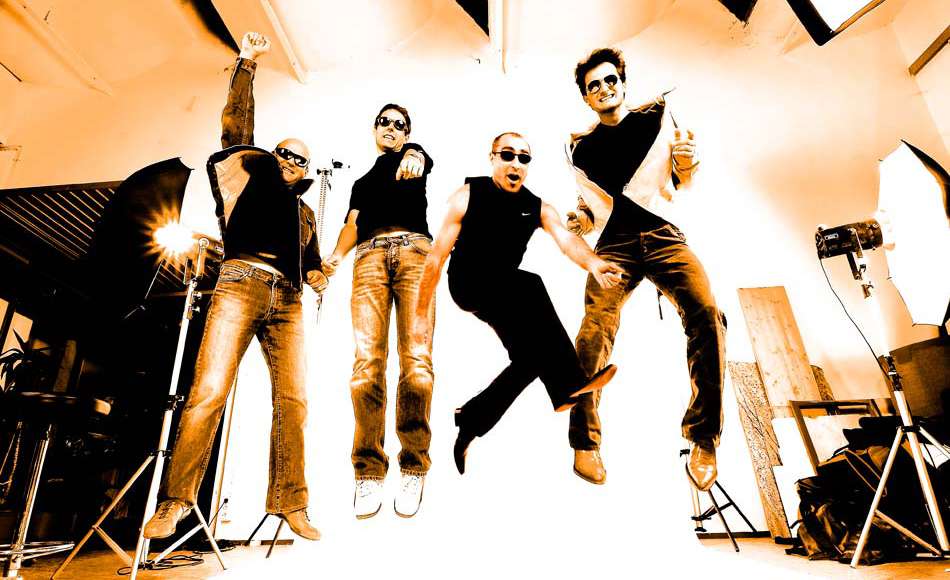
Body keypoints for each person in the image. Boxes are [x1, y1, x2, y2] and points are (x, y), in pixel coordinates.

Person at [144, 32, 324, 541]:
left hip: (287, 300)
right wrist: (247, 63)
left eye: (298, 159)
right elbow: (235, 128)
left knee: (294, 399)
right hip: (240, 283)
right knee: (209, 390)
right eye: (283, 152)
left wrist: (319, 273)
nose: (289, 160)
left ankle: (291, 501)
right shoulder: (251, 179)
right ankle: (176, 501)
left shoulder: (306, 214)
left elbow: (311, 266)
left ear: (305, 172)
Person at [411, 132, 623, 475]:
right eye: (507, 155)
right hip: (467, 283)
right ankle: (568, 384)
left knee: (530, 359)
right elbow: (435, 258)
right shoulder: (467, 195)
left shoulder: (538, 207)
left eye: (524, 158)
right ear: (493, 158)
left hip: (503, 293)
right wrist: (421, 315)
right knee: (531, 283)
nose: (516, 163)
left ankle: (471, 420)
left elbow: (567, 240)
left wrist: (594, 263)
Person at [565, 47, 724, 491]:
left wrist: (687, 159)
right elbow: (591, 207)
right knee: (593, 330)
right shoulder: (581, 148)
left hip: (663, 234)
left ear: (622, 83)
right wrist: (581, 218)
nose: (604, 88)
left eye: (610, 80)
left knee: (707, 314)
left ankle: (704, 437)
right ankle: (584, 442)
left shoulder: (655, 120)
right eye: (594, 85)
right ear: (586, 97)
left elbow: (682, 177)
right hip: (614, 245)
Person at [322, 104, 434, 519]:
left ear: (407, 134)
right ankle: (368, 470)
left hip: (414, 253)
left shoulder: (415, 159)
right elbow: (352, 224)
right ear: (374, 129)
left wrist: (416, 151)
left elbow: (421, 159)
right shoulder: (361, 183)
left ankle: (413, 466)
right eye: (384, 122)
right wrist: (335, 258)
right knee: (367, 364)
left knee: (416, 361)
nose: (391, 128)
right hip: (368, 256)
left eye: (399, 125)